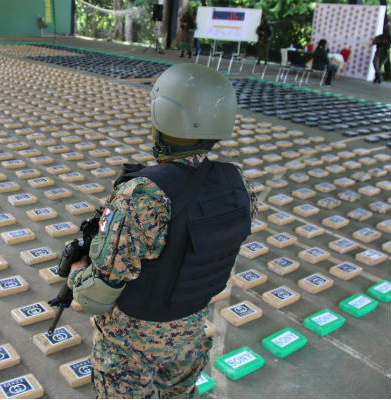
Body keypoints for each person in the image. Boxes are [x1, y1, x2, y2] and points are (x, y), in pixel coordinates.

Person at [68, 63, 257, 398]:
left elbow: (98, 294)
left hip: (133, 340)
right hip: (191, 330)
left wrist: (76, 272)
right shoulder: (237, 184)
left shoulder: (144, 193)